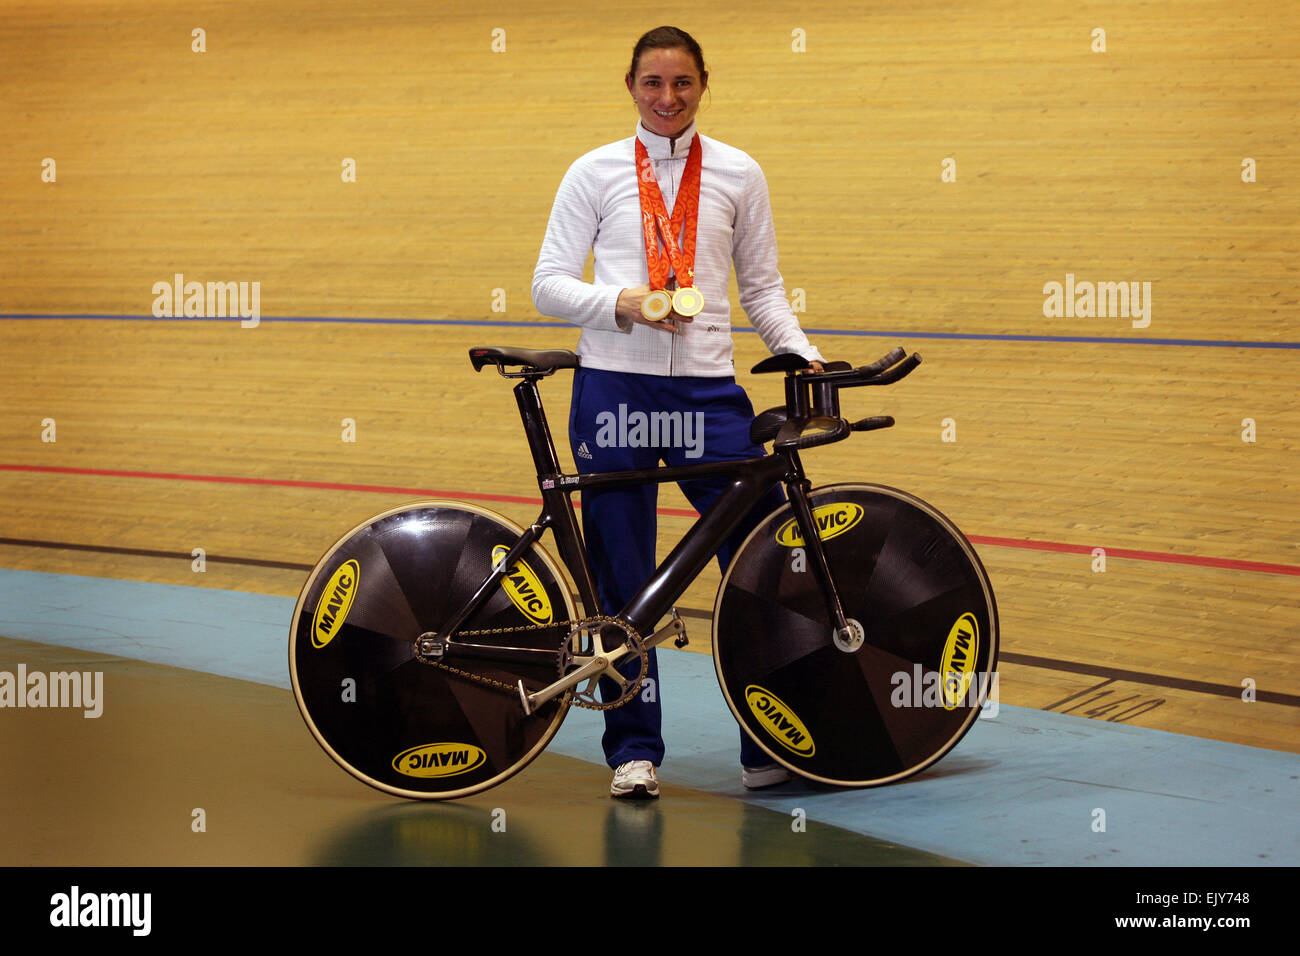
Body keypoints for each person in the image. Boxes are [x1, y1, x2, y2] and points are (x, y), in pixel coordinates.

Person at [532, 25, 824, 799]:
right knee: (624, 584)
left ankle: (768, 743)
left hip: (707, 397)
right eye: (653, 84)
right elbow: (549, 284)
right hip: (615, 393)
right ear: (630, 85)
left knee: (756, 567)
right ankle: (634, 751)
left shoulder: (738, 171)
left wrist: (801, 351)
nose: (668, 98)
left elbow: (761, 288)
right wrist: (620, 302)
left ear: (703, 85)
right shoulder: (593, 172)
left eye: (683, 84)